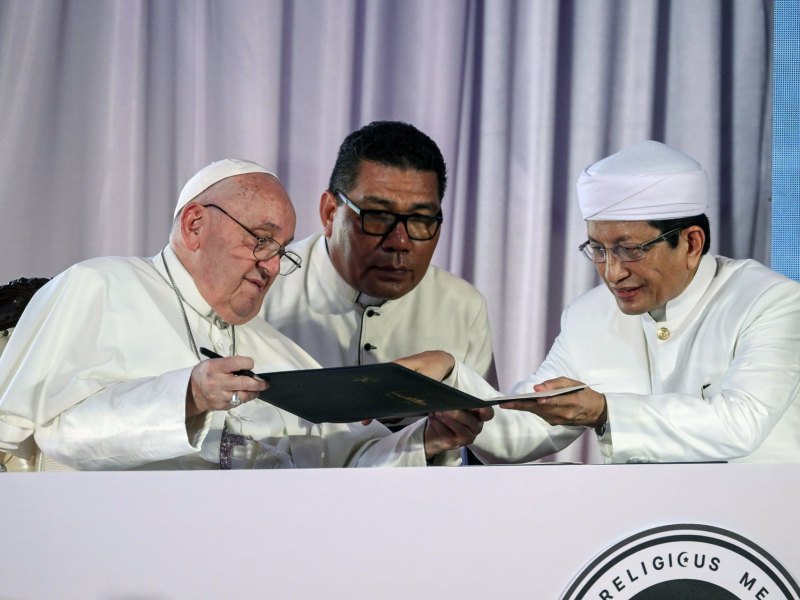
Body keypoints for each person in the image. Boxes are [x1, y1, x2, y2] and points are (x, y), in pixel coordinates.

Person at [0, 159, 491, 471]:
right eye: (260, 240)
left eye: (281, 251)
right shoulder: (101, 286)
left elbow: (341, 464)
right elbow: (50, 434)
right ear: (194, 225)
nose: (274, 265)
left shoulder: (274, 348)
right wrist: (186, 396)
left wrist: (424, 441)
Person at [404, 140, 800, 464]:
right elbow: (524, 430)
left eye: (629, 250)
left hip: (760, 537)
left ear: (691, 243)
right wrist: (450, 380)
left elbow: (740, 425)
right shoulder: (587, 316)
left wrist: (605, 411)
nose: (612, 273)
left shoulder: (770, 302)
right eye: (597, 249)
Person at [261, 121, 497, 390]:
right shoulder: (264, 286)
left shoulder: (463, 307)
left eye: (421, 218)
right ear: (330, 213)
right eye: (379, 216)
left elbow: (490, 428)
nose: (400, 242)